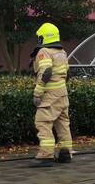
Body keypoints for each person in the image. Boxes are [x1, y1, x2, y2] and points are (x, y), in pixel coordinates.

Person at [30, 22, 72, 167]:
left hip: (50, 95)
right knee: (63, 124)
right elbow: (68, 73)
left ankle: (46, 156)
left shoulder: (45, 52)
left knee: (42, 122)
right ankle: (65, 153)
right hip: (63, 94)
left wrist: (37, 93)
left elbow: (46, 72)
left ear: (43, 37)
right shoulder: (62, 52)